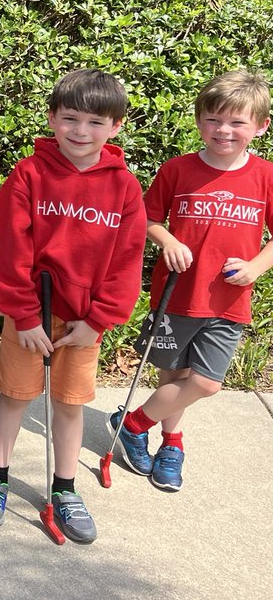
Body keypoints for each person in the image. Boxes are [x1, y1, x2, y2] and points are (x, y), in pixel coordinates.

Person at [0, 68, 146, 543]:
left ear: (115, 127)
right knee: (15, 397)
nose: (81, 131)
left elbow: (126, 263)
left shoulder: (125, 188)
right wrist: (26, 316)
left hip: (82, 323)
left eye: (96, 123)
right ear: (53, 118)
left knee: (69, 405)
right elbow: (8, 251)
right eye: (70, 118)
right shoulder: (29, 173)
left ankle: (66, 489)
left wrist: (98, 322)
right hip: (31, 314)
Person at [110, 70, 273, 492]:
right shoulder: (178, 170)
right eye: (214, 119)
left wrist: (257, 265)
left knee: (205, 382)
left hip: (228, 301)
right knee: (172, 377)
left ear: (260, 126)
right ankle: (172, 442)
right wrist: (168, 241)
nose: (224, 130)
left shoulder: (265, 176)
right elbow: (147, 218)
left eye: (237, 122)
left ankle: (133, 423)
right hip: (177, 294)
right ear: (200, 121)